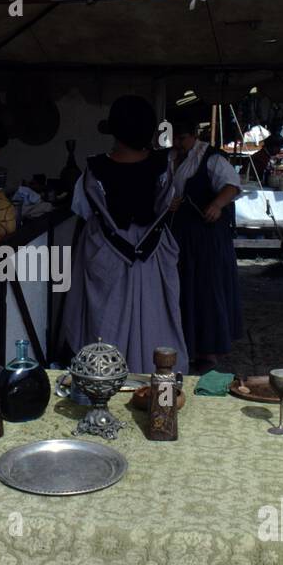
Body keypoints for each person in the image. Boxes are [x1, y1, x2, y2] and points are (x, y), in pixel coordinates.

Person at [61, 95, 188, 374]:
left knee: (104, 324)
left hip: (106, 257)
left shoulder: (92, 171)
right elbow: (167, 204)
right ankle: (155, 381)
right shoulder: (164, 166)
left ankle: (103, 382)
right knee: (154, 319)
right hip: (152, 259)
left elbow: (81, 209)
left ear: (115, 129)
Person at [167, 106, 243, 372]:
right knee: (183, 290)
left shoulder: (210, 158)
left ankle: (208, 352)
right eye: (175, 138)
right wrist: (169, 203)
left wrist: (217, 205)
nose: (178, 143)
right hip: (180, 234)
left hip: (206, 237)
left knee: (206, 291)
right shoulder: (171, 157)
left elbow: (232, 185)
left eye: (183, 138)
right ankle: (184, 345)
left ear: (194, 135)